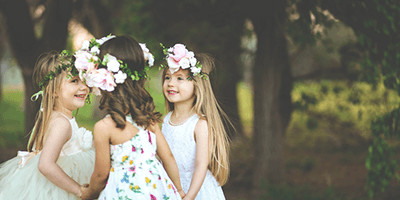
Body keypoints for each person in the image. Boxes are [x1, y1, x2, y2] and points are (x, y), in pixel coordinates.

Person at [80, 35, 185, 200]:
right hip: (155, 191)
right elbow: (168, 158)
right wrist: (178, 191)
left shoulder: (104, 127)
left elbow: (101, 175)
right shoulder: (148, 119)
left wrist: (88, 194)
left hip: (125, 193)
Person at [0, 51, 95, 199]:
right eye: (74, 81)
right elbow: (45, 165)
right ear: (54, 90)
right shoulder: (61, 124)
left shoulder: (56, 116)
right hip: (59, 190)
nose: (83, 87)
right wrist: (78, 191)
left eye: (84, 80)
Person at [161, 44, 232, 200]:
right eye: (168, 77)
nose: (171, 83)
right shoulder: (165, 121)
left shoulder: (199, 124)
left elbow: (201, 165)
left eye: (180, 78)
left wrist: (190, 197)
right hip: (173, 191)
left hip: (197, 192)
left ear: (197, 86)